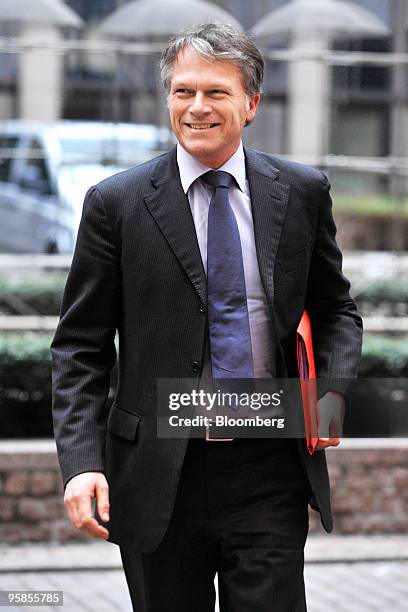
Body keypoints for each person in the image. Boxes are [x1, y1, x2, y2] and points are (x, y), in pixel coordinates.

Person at [51, 23, 363, 612]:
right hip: (157, 473)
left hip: (269, 464)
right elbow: (79, 347)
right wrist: (82, 463)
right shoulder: (116, 204)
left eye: (216, 92)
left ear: (251, 104)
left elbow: (336, 310)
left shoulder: (300, 193)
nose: (197, 108)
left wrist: (333, 395)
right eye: (183, 91)